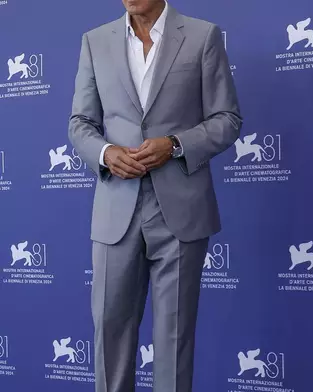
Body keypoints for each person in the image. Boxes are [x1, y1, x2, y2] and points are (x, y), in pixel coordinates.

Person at [68, 0, 241, 391]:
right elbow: (80, 123)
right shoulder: (95, 42)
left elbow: (227, 119)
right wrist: (105, 153)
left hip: (181, 211)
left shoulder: (202, 36)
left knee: (174, 339)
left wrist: (176, 144)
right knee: (110, 336)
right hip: (116, 210)